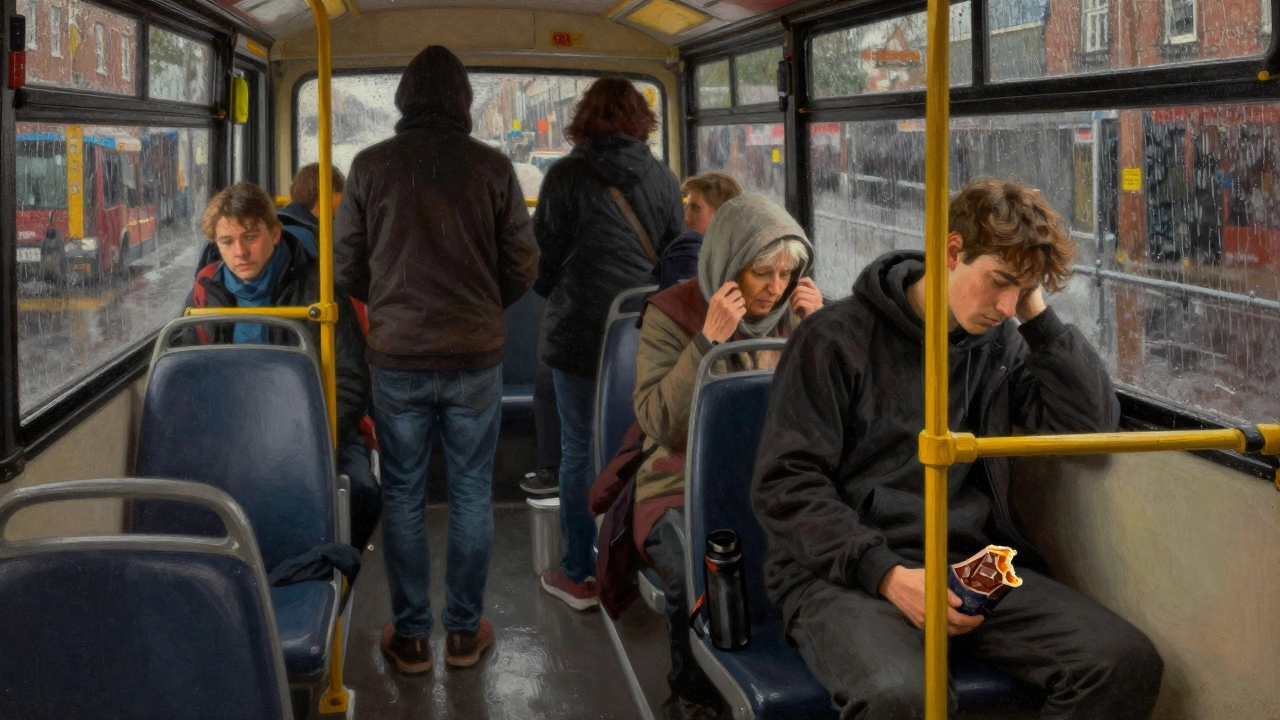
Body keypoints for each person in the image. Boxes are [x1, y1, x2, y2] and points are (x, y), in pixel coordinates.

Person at [751, 179, 1163, 719]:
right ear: (951, 251)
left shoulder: (999, 345)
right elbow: (787, 485)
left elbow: (1087, 427)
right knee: (907, 699)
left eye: (1024, 290)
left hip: (965, 562)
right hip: (845, 571)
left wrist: (1035, 311)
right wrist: (886, 573)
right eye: (999, 282)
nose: (1007, 305)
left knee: (1122, 661)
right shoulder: (834, 339)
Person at [334, 45, 539, 675]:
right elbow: (524, 264)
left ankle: (413, 637)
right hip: (476, 356)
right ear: (464, 100)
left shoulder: (369, 168)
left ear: (401, 99)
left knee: (402, 492)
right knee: (473, 490)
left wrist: (395, 307)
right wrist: (482, 306)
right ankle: (462, 634)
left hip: (396, 358)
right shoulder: (494, 168)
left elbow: (345, 267)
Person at [634, 195, 822, 720]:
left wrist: (817, 336)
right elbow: (656, 421)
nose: (776, 287)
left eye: (788, 272)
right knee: (692, 572)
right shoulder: (673, 314)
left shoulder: (796, 318)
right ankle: (692, 695)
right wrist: (706, 342)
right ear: (728, 261)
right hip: (680, 478)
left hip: (775, 478)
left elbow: (829, 421)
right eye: (762, 271)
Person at [533, 76, 685, 609]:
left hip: (576, 334)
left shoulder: (564, 177)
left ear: (585, 118)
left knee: (578, 448)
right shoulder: (664, 179)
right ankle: (636, 559)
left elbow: (542, 263)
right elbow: (673, 259)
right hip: (641, 337)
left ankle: (580, 574)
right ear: (640, 122)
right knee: (639, 447)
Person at [184, 182, 378, 549]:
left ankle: (329, 575)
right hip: (234, 428)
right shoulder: (205, 291)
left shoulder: (319, 288)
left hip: (312, 423)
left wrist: (307, 439)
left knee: (362, 494)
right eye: (227, 242)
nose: (240, 252)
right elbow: (190, 376)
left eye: (251, 237)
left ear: (275, 232)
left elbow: (350, 380)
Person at [652, 171, 743, 290]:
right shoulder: (688, 249)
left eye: (695, 208)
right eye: (687, 207)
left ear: (722, 214)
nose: (686, 218)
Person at [278, 163, 346, 257]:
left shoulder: (276, 223)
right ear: (329, 196)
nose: (345, 203)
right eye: (343, 195)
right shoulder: (312, 239)